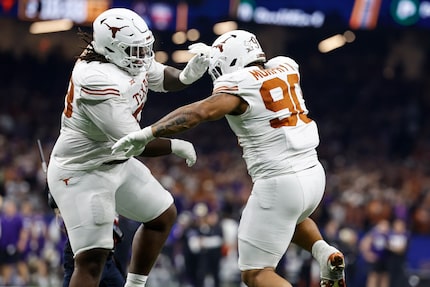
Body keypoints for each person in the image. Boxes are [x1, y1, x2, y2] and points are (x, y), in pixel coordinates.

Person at [112, 29, 347, 287]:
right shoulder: (286, 66)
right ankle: (324, 253)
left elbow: (201, 111)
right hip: (313, 174)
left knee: (255, 273)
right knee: (293, 217)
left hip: (280, 182)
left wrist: (148, 133)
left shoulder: (239, 86)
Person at [46, 7, 210, 287]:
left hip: (115, 161)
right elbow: (134, 142)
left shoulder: (124, 58)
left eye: (144, 49)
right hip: (83, 171)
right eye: (135, 51)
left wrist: (186, 77)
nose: (143, 57)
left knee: (163, 216)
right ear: (110, 48)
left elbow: (157, 75)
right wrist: (175, 145)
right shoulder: (95, 79)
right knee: (92, 260)